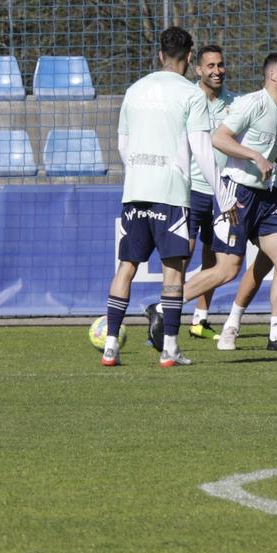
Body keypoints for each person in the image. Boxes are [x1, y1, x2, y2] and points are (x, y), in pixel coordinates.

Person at [99, 27, 225, 368]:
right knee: (173, 269)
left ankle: (111, 345)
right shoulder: (191, 94)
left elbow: (123, 145)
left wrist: (140, 172)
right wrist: (223, 197)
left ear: (159, 55)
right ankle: (170, 348)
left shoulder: (134, 90)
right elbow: (202, 148)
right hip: (170, 193)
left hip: (135, 190)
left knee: (126, 266)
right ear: (188, 59)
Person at [207, 52, 277, 351]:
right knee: (228, 270)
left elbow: (270, 147)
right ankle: (165, 307)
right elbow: (220, 138)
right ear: (273, 75)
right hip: (238, 193)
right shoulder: (252, 103)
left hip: (264, 196)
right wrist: (255, 157)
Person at [143, 44, 237, 347]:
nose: (216, 71)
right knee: (181, 257)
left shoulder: (233, 104)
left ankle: (200, 319)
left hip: (222, 190)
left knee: (215, 260)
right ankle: (164, 317)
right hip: (191, 190)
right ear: (197, 69)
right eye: (210, 66)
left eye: (220, 65)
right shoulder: (187, 99)